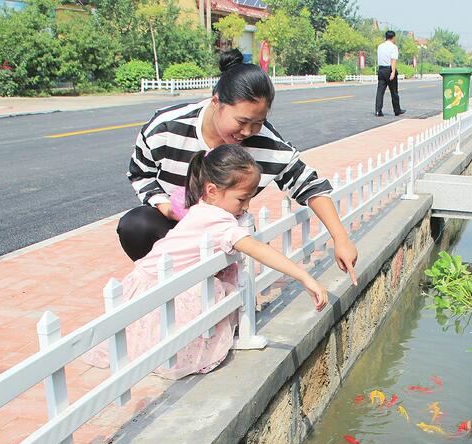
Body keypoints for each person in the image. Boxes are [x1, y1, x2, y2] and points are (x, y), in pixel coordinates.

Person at [84, 145, 328, 380]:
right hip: (164, 287)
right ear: (212, 190)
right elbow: (256, 249)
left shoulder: (202, 208)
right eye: (242, 199)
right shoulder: (216, 219)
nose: (246, 207)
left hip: (156, 280)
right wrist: (304, 277)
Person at [119, 48, 358, 285]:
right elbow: (141, 173)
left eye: (257, 123)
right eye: (242, 121)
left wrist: (340, 238)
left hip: (225, 234)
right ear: (216, 102)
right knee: (136, 225)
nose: (247, 132)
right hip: (173, 227)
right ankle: (167, 293)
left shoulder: (267, 143)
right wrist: (167, 208)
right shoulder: (166, 127)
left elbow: (310, 186)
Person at [375, 30, 405, 117]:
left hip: (381, 70)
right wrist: (393, 72)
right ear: (393, 37)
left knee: (380, 91)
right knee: (394, 91)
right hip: (389, 69)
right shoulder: (393, 47)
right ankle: (397, 110)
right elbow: (393, 60)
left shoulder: (380, 46)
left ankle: (378, 110)